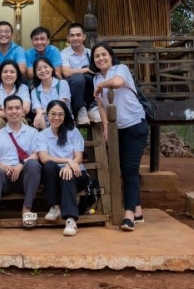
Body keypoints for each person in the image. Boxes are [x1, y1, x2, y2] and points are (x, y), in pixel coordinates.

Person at [92, 41, 147, 232]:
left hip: (134, 125)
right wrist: (106, 127)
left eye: (103, 54)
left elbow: (117, 83)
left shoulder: (120, 69)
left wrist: (101, 84)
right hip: (117, 130)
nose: (101, 58)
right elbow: (101, 105)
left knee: (130, 169)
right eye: (97, 56)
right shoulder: (96, 78)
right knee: (123, 168)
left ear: (110, 55)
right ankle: (138, 211)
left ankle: (129, 215)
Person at [0, 94, 43, 235]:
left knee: (33, 164)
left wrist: (22, 164)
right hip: (5, 177)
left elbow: (37, 154)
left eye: (17, 108)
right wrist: (3, 167)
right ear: (5, 111)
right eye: (10, 108)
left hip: (25, 176)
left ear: (23, 111)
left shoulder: (33, 132)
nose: (14, 111)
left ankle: (26, 209)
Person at [33, 100, 89, 237]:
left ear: (65, 116)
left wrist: (69, 166)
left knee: (67, 176)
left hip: (77, 173)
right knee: (49, 166)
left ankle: (70, 220)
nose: (56, 118)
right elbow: (44, 158)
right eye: (53, 114)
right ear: (48, 116)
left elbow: (78, 157)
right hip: (56, 173)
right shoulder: (42, 136)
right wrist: (67, 161)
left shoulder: (73, 132)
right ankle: (55, 206)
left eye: (60, 114)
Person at [61, 23, 100, 125]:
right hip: (73, 91)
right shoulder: (64, 54)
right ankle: (80, 110)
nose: (75, 38)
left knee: (97, 78)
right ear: (68, 38)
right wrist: (87, 69)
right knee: (78, 78)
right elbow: (66, 72)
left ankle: (93, 107)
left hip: (88, 91)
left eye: (78, 35)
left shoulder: (90, 53)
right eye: (72, 36)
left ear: (84, 37)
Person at [0, 59, 30, 136]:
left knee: (19, 121)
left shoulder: (23, 88)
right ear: (0, 74)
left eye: (12, 72)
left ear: (17, 74)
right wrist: (13, 111)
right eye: (5, 72)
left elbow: (25, 109)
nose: (8, 74)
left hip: (16, 118)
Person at [29, 57, 71, 130]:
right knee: (40, 115)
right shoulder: (34, 92)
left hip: (62, 121)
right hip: (45, 124)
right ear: (35, 73)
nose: (43, 70)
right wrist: (40, 113)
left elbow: (59, 106)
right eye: (39, 69)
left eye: (45, 67)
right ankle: (46, 136)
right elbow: (38, 112)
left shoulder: (62, 84)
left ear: (51, 68)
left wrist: (42, 112)